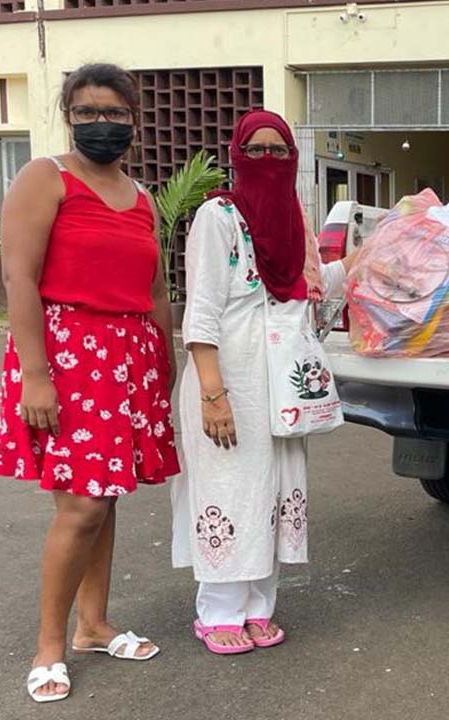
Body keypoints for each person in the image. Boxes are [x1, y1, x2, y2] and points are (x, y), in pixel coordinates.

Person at [0, 63, 181, 703]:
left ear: (134, 118)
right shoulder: (46, 178)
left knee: (109, 495)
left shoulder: (143, 196)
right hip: (69, 357)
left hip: (130, 357)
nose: (103, 124)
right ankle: (50, 643)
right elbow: (19, 279)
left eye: (116, 113)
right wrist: (36, 377)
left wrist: (166, 362)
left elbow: (154, 289)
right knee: (83, 504)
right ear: (69, 116)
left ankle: (94, 625)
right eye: (88, 112)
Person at [172, 110, 355, 655]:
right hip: (227, 382)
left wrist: (364, 262)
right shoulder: (218, 216)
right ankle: (218, 611)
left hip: (281, 387)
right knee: (229, 490)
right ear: (237, 156)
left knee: (272, 492)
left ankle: (257, 608)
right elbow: (201, 312)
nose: (269, 161)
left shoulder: (295, 223)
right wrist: (213, 393)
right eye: (257, 151)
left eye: (280, 151)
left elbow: (307, 297)